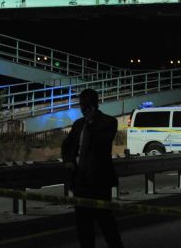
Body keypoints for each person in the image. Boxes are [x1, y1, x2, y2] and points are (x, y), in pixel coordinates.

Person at [61, 89, 124, 248]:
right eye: (81, 105)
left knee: (107, 225)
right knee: (84, 229)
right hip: (80, 183)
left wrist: (91, 123)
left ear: (94, 105)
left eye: (86, 105)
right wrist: (68, 160)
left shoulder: (109, 122)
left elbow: (102, 144)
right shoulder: (78, 125)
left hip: (99, 182)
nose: (83, 109)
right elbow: (67, 145)